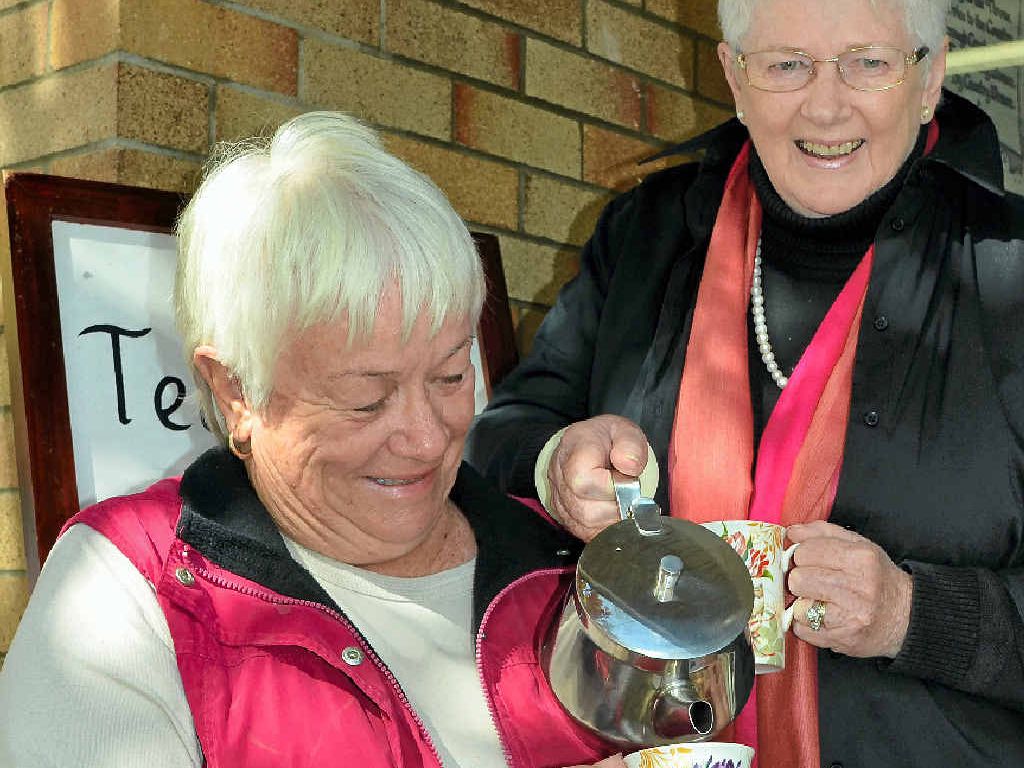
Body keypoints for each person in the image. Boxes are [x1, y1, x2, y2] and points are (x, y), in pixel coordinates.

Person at [466, 0, 1024, 766]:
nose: (826, 105)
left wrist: (911, 616)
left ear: (929, 79)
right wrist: (556, 463)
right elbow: (499, 432)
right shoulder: (643, 236)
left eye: (868, 61)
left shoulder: (1013, 274)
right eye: (787, 64)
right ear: (734, 77)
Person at [0, 112, 627, 768]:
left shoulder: (565, 565)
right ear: (235, 391)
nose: (426, 437)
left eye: (450, 374)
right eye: (366, 400)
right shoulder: (126, 591)